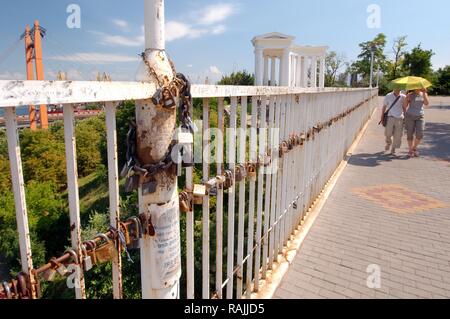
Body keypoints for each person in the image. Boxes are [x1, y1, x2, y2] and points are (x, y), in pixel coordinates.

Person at [403, 88, 429, 157]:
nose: (418, 88)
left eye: (420, 86)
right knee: (409, 134)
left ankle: (414, 148)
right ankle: (410, 150)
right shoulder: (410, 95)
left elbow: (426, 103)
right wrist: (406, 98)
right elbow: (405, 106)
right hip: (410, 116)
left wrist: (424, 93)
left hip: (420, 116)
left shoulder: (424, 94)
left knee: (420, 134)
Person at [381, 89, 406, 155]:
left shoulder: (403, 96)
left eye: (398, 87)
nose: (397, 89)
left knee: (398, 135)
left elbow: (404, 107)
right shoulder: (388, 95)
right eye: (396, 87)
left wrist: (406, 117)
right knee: (388, 133)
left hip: (399, 118)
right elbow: (384, 106)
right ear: (393, 88)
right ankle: (389, 142)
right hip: (390, 117)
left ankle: (393, 148)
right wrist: (382, 116)